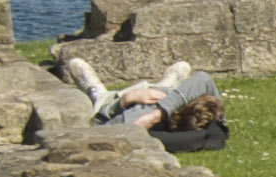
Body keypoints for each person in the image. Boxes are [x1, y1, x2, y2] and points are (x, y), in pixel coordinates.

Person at [60, 56, 227, 149]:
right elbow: (203, 79)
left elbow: (99, 128)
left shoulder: (140, 118)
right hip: (159, 95)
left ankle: (95, 90)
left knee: (104, 100)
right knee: (164, 90)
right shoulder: (215, 119)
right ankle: (168, 84)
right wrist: (159, 112)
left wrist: (128, 99)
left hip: (119, 105)